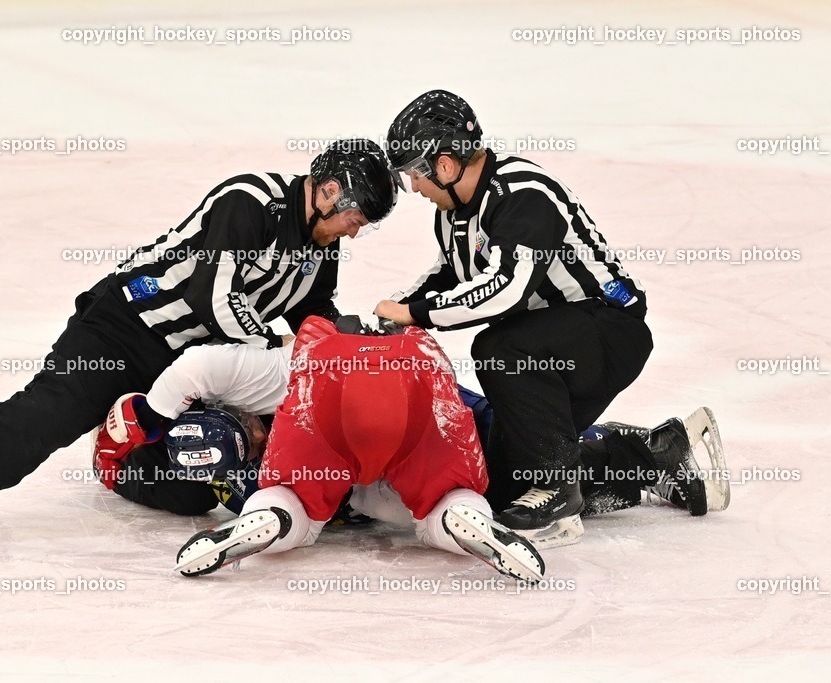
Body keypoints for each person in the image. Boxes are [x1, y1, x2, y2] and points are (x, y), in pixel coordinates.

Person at [0, 139, 399, 548]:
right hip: (124, 325)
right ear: (330, 191)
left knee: (194, 484)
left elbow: (313, 319)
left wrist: (345, 345)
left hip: (190, 358)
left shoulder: (320, 249)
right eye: (356, 218)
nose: (354, 232)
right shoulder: (250, 200)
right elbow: (213, 297)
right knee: (54, 409)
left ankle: (116, 458)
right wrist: (274, 346)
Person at [94, 315, 727, 553]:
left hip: (419, 415)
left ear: (231, 410)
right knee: (498, 486)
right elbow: (126, 473)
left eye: (252, 434)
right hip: (376, 477)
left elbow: (192, 372)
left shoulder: (257, 375)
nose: (260, 442)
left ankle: (653, 454)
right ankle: (643, 462)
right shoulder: (209, 477)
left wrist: (143, 417)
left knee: (514, 467)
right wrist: (121, 460)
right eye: (249, 453)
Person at [374, 90, 655, 547]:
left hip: (607, 330)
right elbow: (451, 271)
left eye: (415, 174)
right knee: (503, 479)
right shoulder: (453, 212)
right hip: (555, 338)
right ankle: (653, 456)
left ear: (445, 164)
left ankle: (558, 497)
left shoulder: (524, 194)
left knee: (499, 349)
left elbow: (506, 289)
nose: (415, 188)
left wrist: (416, 313)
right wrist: (398, 308)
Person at [171, 317, 546, 581]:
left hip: (335, 443)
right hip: (409, 380)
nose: (259, 437)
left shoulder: (250, 476)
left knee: (289, 504)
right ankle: (460, 514)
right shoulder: (270, 373)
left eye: (251, 430)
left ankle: (271, 520)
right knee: (442, 498)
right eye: (253, 443)